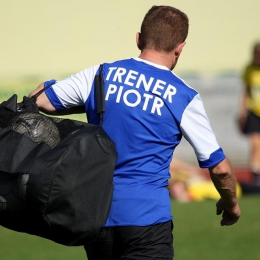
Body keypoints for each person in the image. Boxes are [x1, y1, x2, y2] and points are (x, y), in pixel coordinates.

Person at [29, 5, 241, 260]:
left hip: (96, 217)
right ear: (180, 48)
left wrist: (55, 87)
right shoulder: (184, 96)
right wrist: (231, 204)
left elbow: (39, 100)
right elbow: (220, 168)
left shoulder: (100, 74)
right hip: (148, 222)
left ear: (139, 38)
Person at [238, 42, 260, 186]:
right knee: (255, 144)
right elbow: (246, 91)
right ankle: (255, 174)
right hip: (254, 111)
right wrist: (242, 112)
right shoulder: (249, 70)